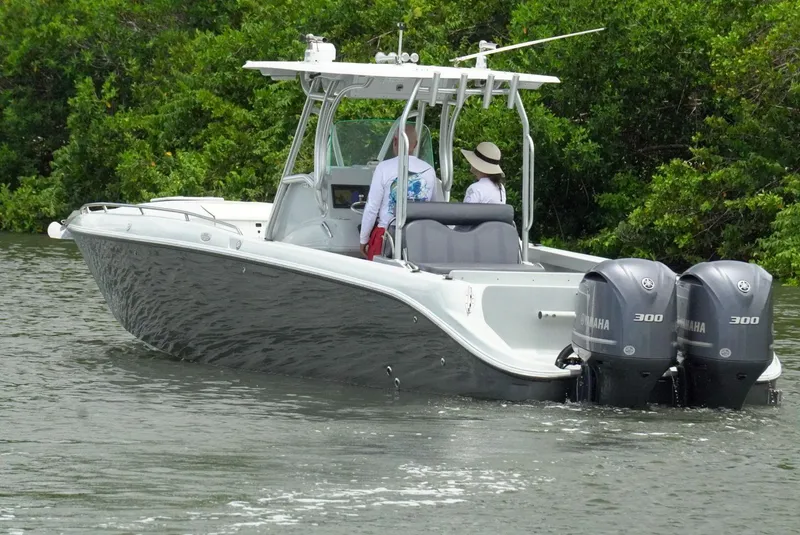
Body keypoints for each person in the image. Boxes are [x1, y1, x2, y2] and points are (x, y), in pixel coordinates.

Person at [359, 124, 439, 260]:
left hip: (386, 235)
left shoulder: (383, 168)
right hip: (418, 236)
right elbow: (433, 207)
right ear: (415, 144)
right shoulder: (429, 170)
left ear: (395, 141)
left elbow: (372, 207)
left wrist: (363, 239)